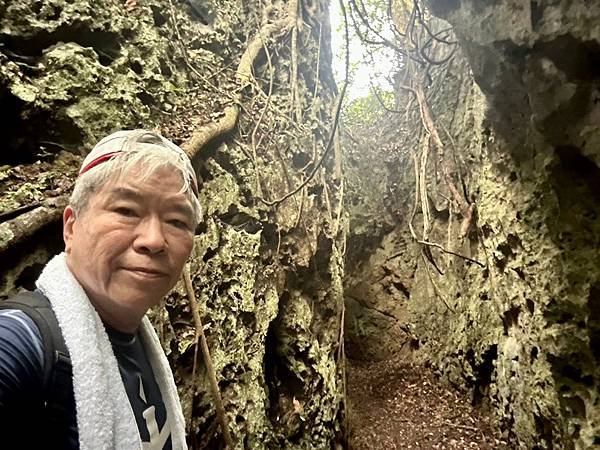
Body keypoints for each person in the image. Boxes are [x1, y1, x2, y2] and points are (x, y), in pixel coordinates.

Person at [0, 130, 202, 449]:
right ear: (71, 227)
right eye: (126, 211)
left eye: (177, 221)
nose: (153, 240)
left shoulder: (140, 345)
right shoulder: (22, 340)